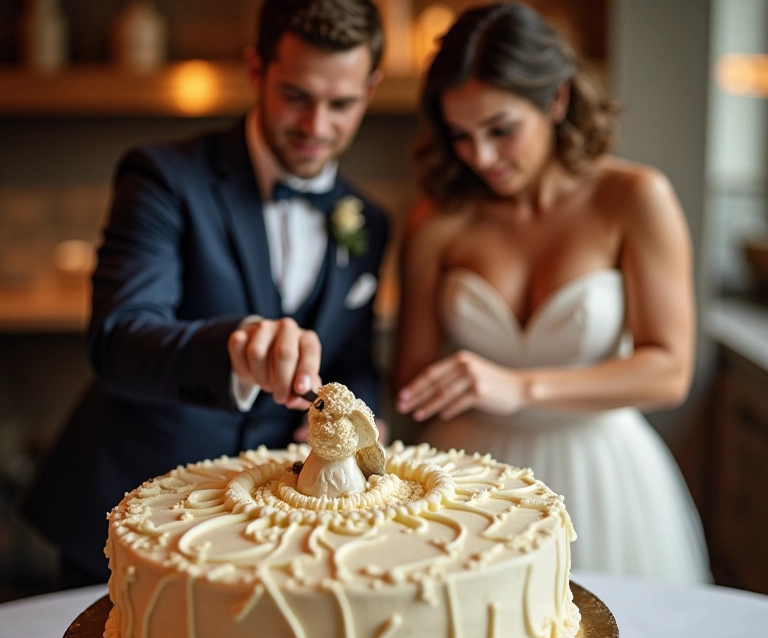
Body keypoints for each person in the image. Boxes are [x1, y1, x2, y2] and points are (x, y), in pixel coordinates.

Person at [21, 0, 390, 588]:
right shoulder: (163, 176)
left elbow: (352, 358)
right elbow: (118, 339)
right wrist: (235, 347)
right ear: (256, 70)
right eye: (296, 95)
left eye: (341, 103)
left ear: (370, 89)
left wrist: (362, 419)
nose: (317, 125)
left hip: (262, 536)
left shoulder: (368, 219)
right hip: (129, 512)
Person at [393, 2, 710, 583]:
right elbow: (409, 381)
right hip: (470, 477)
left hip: (602, 470)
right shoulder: (436, 221)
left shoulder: (634, 199)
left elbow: (669, 371)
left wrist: (519, 387)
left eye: (501, 130)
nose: (482, 157)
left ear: (557, 100)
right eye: (461, 135)